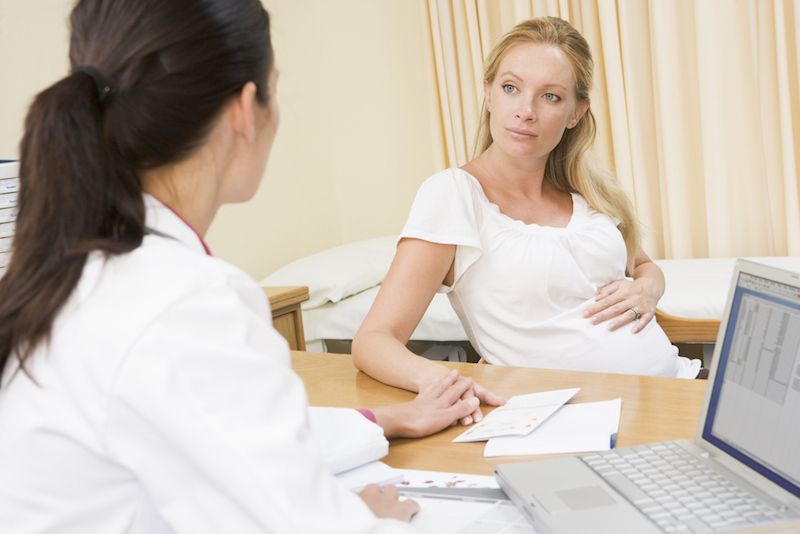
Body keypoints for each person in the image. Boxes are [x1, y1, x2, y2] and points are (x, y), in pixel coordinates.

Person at [0, 1, 481, 532]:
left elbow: (217, 428)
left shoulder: (72, 269)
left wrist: (385, 419)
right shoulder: (184, 301)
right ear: (244, 110)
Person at [352, 16, 701, 423]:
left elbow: (642, 266)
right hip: (582, 423)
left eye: (550, 97)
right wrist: (444, 380)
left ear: (576, 112)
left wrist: (648, 289)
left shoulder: (586, 193)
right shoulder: (454, 194)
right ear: (488, 94)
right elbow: (374, 340)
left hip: (681, 389)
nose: (526, 111)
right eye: (511, 88)